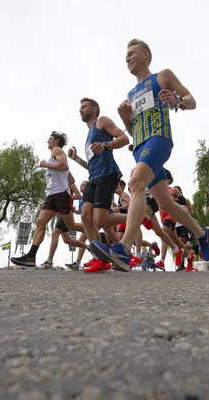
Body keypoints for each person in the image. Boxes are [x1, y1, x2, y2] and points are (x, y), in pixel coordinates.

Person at [89, 39, 209, 271]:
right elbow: (133, 129)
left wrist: (177, 101)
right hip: (140, 146)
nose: (127, 58)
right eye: (125, 55)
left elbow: (191, 100)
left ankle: (124, 250)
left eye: (132, 53)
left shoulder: (162, 76)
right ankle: (202, 233)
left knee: (135, 183)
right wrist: (125, 116)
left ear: (146, 54)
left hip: (159, 138)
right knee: (165, 202)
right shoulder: (131, 93)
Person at [68, 98, 133, 273]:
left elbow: (124, 138)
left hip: (108, 174)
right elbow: (91, 164)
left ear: (94, 108)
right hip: (93, 177)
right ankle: (101, 259)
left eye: (84, 107)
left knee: (100, 219)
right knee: (86, 218)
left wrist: (106, 144)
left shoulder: (102, 121)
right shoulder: (88, 136)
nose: (80, 110)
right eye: (79, 107)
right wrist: (77, 159)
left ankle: (135, 216)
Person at [11, 132, 84, 268]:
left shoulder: (57, 150)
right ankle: (31, 256)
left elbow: (64, 166)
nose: (47, 141)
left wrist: (46, 165)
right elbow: (71, 178)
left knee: (72, 226)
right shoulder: (54, 155)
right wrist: (62, 177)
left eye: (50, 139)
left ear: (56, 141)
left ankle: (97, 235)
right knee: (40, 223)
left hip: (61, 194)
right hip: (51, 195)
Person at [39, 173, 88, 270]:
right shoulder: (58, 184)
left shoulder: (68, 182)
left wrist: (66, 197)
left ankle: (49, 261)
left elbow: (78, 195)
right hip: (60, 211)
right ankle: (89, 247)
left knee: (55, 233)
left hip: (65, 211)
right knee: (67, 240)